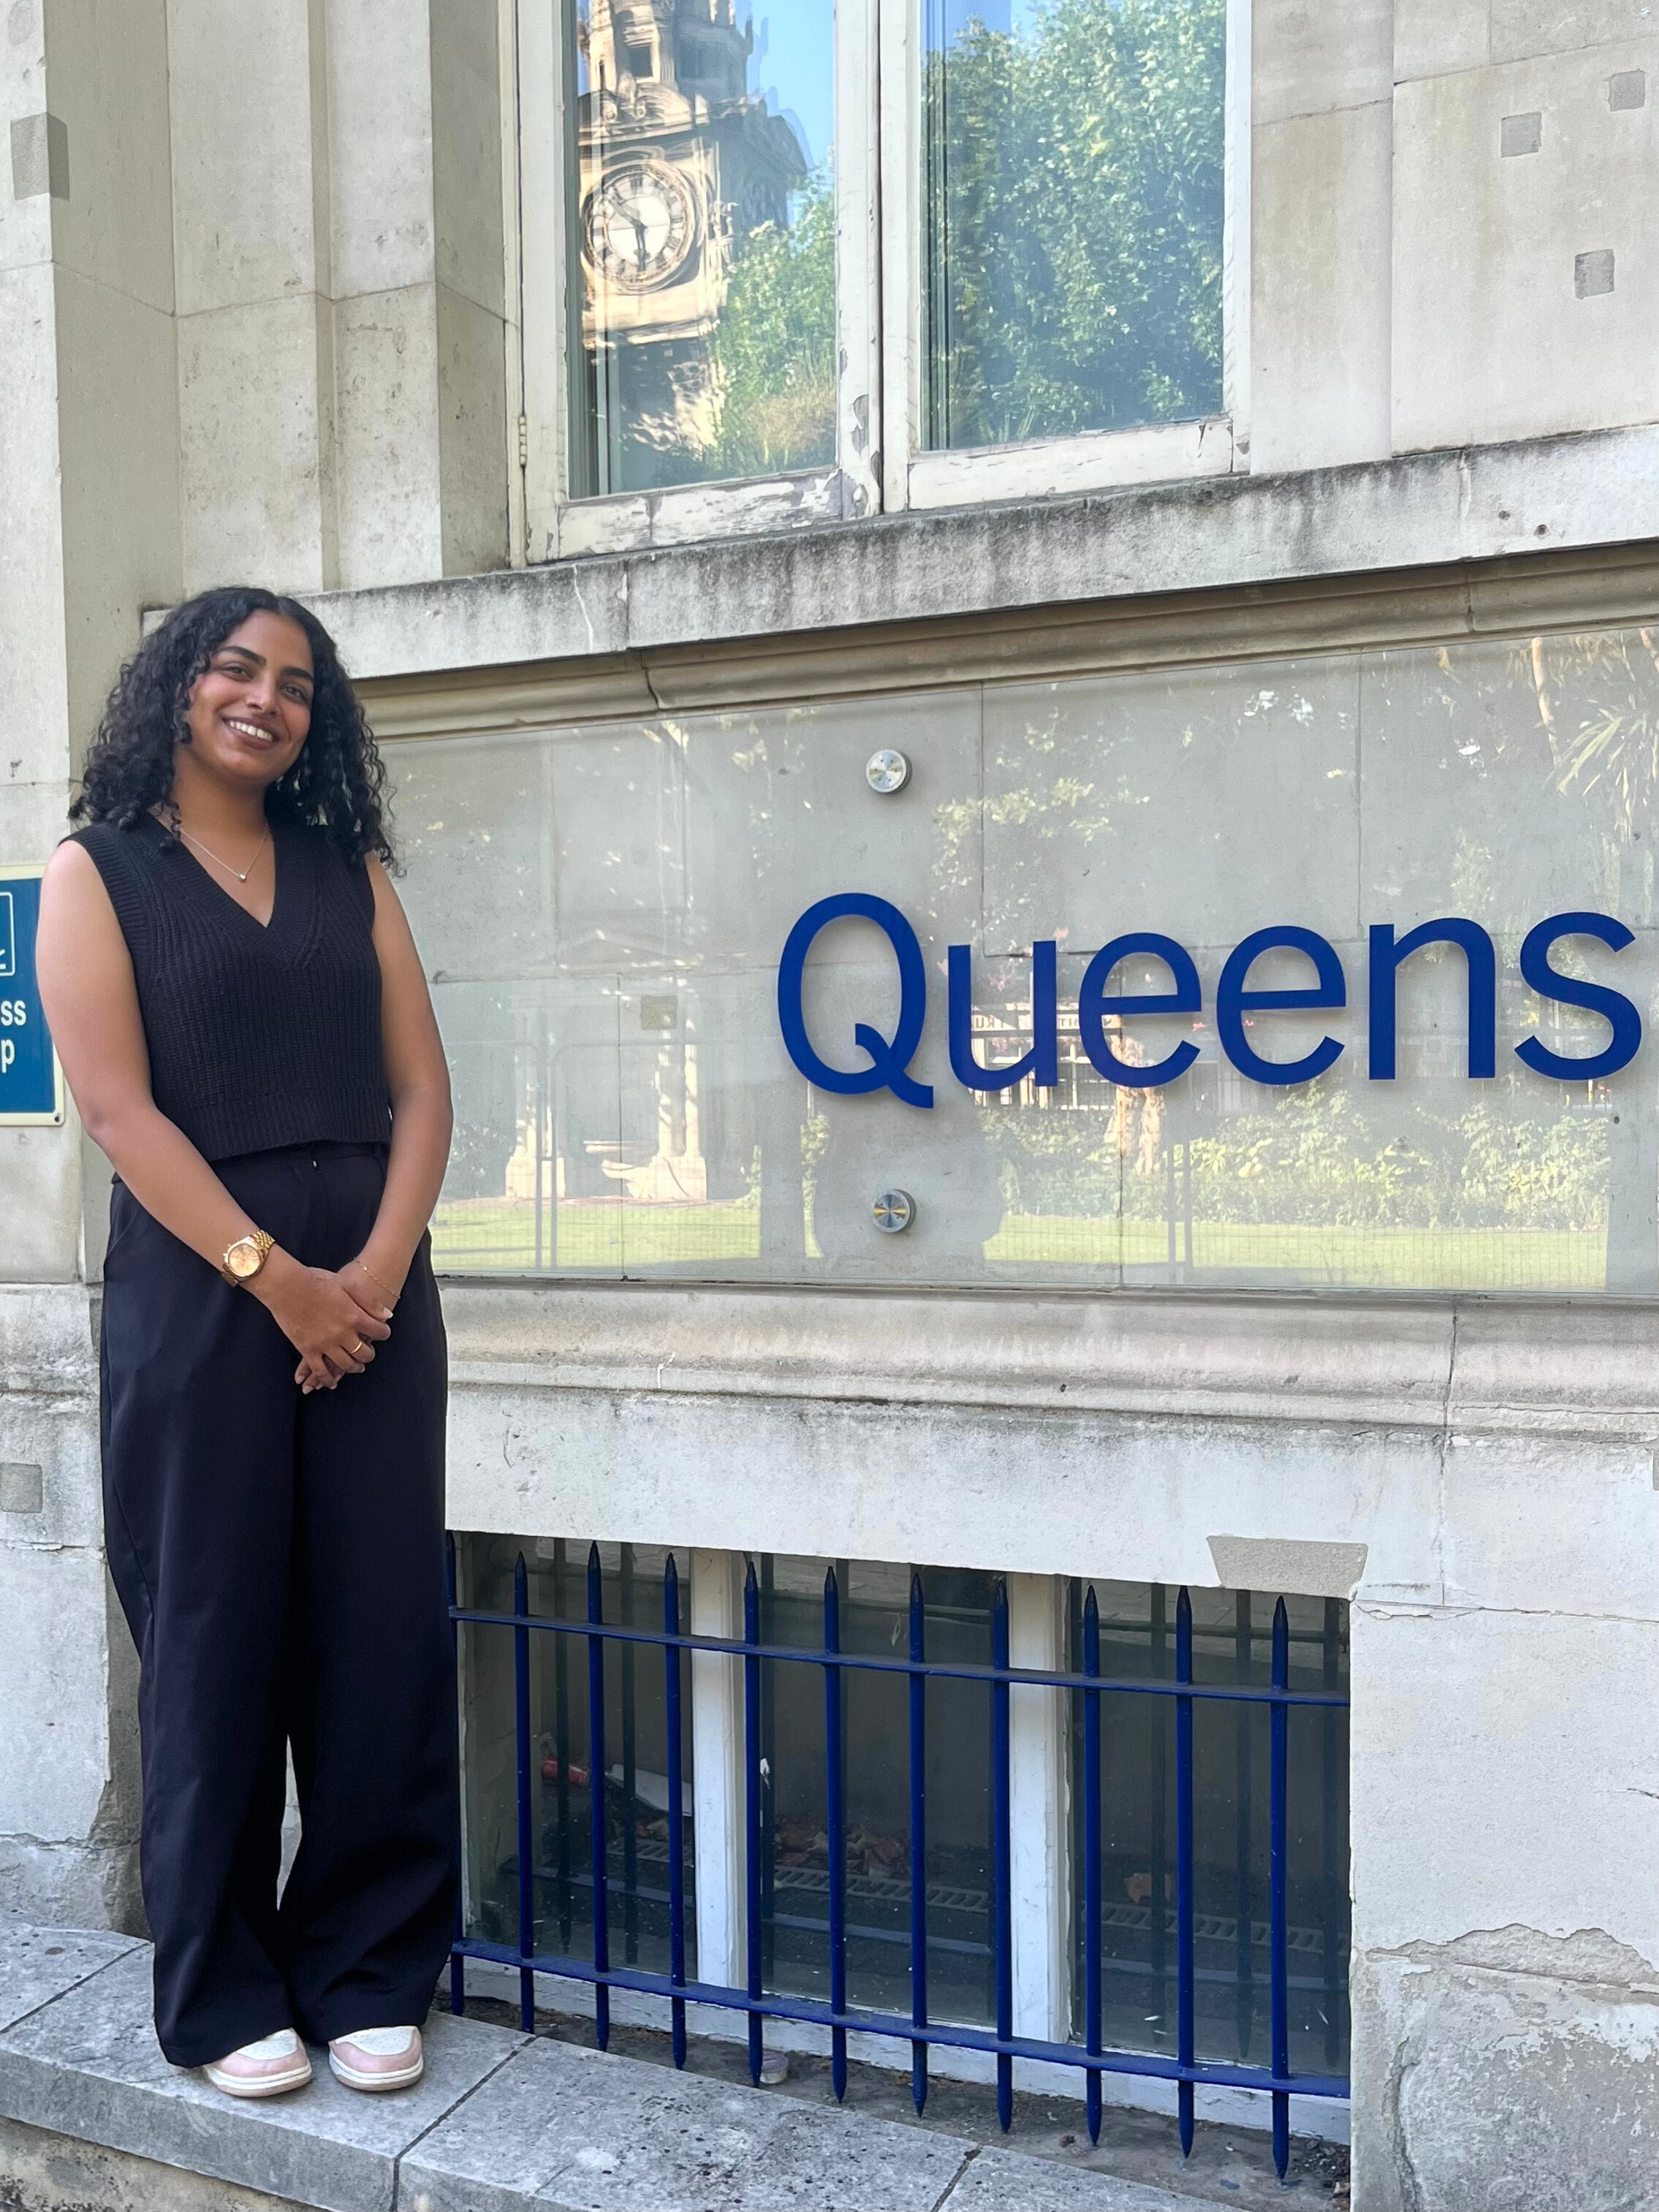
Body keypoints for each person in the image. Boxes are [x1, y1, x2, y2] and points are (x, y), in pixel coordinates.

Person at [37, 587, 458, 2101]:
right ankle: (219, 1985)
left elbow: (424, 1092)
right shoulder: (96, 871)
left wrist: (376, 1276)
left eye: (294, 680)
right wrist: (278, 1279)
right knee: (213, 1628)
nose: (263, 697)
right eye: (234, 666)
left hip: (377, 1303)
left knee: (377, 1625)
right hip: (207, 1304)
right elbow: (117, 1108)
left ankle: (368, 1963)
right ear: (176, 685)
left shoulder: (352, 873)